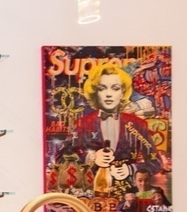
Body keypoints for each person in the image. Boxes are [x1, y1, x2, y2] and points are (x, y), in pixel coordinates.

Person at [57, 62, 163, 192]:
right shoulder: (83, 124)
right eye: (102, 88)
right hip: (90, 192)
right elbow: (60, 156)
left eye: (115, 88)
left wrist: (130, 169)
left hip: (127, 194)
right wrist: (91, 158)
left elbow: (155, 162)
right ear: (95, 92)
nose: (108, 94)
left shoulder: (137, 125)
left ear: (123, 92)